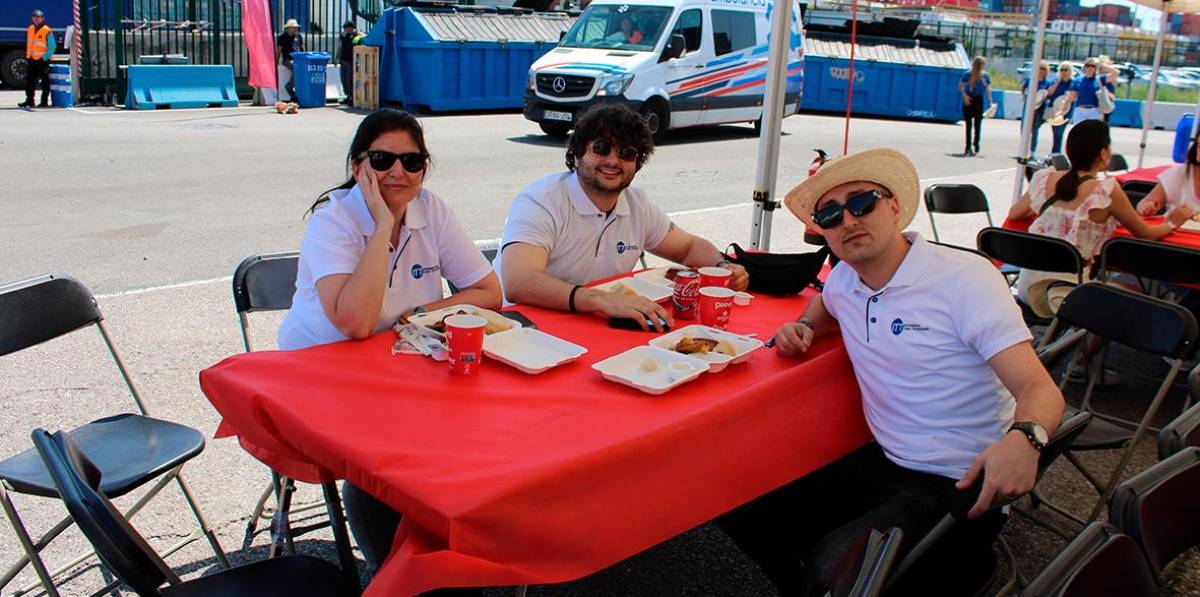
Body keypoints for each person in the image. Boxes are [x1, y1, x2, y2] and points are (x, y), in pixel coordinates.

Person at [716, 148, 1065, 596]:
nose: (848, 220)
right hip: (883, 461)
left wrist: (1026, 439)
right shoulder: (845, 278)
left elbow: (1038, 387)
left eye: (862, 203)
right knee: (736, 499)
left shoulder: (965, 279)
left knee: (831, 568)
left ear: (895, 206)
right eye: (830, 215)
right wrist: (801, 327)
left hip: (956, 482)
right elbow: (825, 306)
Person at [276, 109, 501, 588]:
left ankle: (450, 550)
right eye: (382, 159)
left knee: (475, 424)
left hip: (401, 360)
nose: (398, 172)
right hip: (320, 371)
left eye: (412, 161)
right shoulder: (333, 220)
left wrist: (420, 314)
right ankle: (398, 572)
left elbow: (488, 291)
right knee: (381, 456)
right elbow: (356, 323)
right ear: (358, 166)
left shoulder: (433, 210)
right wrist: (381, 227)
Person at [496, 104, 748, 329]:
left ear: (637, 165)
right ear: (576, 155)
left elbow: (689, 247)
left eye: (626, 153)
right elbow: (519, 282)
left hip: (594, 322)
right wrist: (601, 300)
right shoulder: (541, 201)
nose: (612, 161)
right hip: (524, 327)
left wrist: (722, 266)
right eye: (601, 148)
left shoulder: (638, 204)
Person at [1136, 129, 1200, 216]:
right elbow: (1144, 203)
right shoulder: (1180, 173)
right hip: (1176, 228)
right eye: (1199, 146)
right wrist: (1146, 207)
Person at [20, 9, 56, 109]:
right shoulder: (30, 28)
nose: (36, 19)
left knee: (44, 81)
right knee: (29, 81)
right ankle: (29, 100)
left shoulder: (46, 30)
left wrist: (44, 58)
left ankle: (44, 101)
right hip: (31, 58)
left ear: (42, 19)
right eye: (34, 17)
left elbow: (52, 47)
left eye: (38, 17)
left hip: (42, 60)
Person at [1067, 57, 1116, 125]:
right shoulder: (1078, 80)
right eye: (1088, 65)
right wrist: (1063, 109)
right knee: (1079, 133)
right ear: (1084, 67)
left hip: (1095, 111)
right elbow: (1071, 97)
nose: (1090, 67)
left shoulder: (1100, 79)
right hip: (1080, 110)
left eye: (1093, 66)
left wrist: (1102, 65)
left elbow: (1116, 73)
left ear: (1096, 68)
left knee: (1093, 134)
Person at [958, 56, 991, 156]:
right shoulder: (968, 74)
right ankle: (967, 147)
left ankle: (976, 143)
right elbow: (960, 86)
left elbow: (987, 89)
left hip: (978, 100)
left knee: (978, 124)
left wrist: (990, 101)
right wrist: (965, 96)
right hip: (969, 99)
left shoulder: (985, 76)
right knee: (968, 125)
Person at [1044, 62, 1075, 155]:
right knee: (1055, 133)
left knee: (1059, 132)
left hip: (1066, 110)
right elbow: (1049, 93)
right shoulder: (1055, 81)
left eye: (1066, 69)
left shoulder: (1073, 83)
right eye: (1062, 69)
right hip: (1054, 110)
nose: (1064, 72)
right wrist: (1057, 83)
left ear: (1070, 71)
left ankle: (1056, 153)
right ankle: (1055, 153)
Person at [1021, 61, 1051, 155]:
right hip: (1028, 106)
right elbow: (1023, 89)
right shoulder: (1030, 80)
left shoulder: (1047, 82)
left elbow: (1048, 94)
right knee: (1024, 127)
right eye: (1040, 68)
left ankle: (1032, 151)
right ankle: (1024, 148)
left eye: (1044, 69)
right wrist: (1025, 98)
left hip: (1039, 108)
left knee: (1035, 129)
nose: (1041, 70)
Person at [276, 18, 305, 102]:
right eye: (293, 27)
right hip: (287, 59)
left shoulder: (298, 36)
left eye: (295, 27)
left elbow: (302, 48)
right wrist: (276, 61)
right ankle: (289, 86)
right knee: (295, 67)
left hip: (298, 59)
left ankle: (293, 92)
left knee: (299, 68)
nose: (295, 29)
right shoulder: (282, 37)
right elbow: (279, 50)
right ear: (288, 28)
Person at [337, 20, 362, 106]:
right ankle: (348, 96)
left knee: (350, 79)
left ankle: (352, 97)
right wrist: (337, 57)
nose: (345, 29)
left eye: (346, 27)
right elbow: (339, 47)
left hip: (351, 60)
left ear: (351, 27)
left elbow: (362, 39)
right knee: (344, 79)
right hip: (343, 59)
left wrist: (358, 33)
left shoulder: (357, 35)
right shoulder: (343, 35)